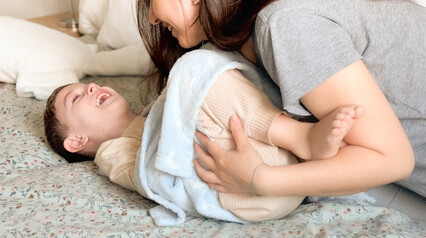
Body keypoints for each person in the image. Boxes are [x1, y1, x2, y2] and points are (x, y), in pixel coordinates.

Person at [137, 0, 426, 220]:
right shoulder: (247, 40)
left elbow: (394, 160)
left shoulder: (285, 24)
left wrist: (258, 180)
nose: (150, 17)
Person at [44, 67, 361, 221]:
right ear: (76, 141)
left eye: (90, 84)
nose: (92, 87)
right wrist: (177, 99)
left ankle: (303, 143)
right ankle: (303, 138)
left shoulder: (150, 115)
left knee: (199, 75)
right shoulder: (110, 154)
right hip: (242, 194)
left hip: (276, 170)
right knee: (194, 76)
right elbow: (152, 175)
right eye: (77, 96)